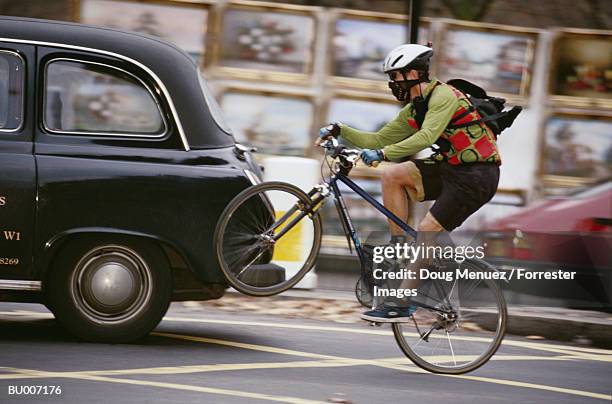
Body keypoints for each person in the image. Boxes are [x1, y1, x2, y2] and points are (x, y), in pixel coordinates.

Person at [318, 44, 501, 322]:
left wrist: (383, 155)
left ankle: (402, 303)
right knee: (391, 174)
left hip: (476, 176)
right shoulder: (415, 109)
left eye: (396, 76)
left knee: (427, 229)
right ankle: (399, 248)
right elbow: (378, 139)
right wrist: (340, 129)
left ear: (414, 73)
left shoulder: (443, 96)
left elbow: (427, 137)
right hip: (450, 168)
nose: (393, 83)